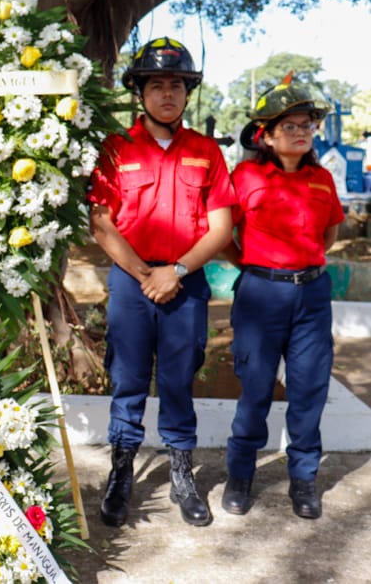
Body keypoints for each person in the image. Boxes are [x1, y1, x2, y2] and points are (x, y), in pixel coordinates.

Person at [87, 37, 236, 527]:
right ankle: (122, 471)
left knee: (178, 378)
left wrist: (176, 271)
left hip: (186, 280)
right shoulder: (115, 148)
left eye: (176, 84)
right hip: (133, 282)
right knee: (127, 377)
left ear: (188, 93)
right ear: (140, 92)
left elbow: (221, 228)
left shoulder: (206, 151)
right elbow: (101, 223)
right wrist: (145, 274)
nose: (167, 93)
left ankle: (181, 472)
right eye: (157, 85)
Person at [222, 77, 344, 519]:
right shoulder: (246, 176)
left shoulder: (322, 179)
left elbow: (329, 233)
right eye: (288, 125)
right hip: (260, 294)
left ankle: (304, 479)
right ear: (266, 136)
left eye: (307, 124)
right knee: (255, 388)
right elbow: (222, 235)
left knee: (309, 389)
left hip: (311, 295)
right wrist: (253, 267)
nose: (300, 131)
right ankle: (240, 475)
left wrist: (301, 266)